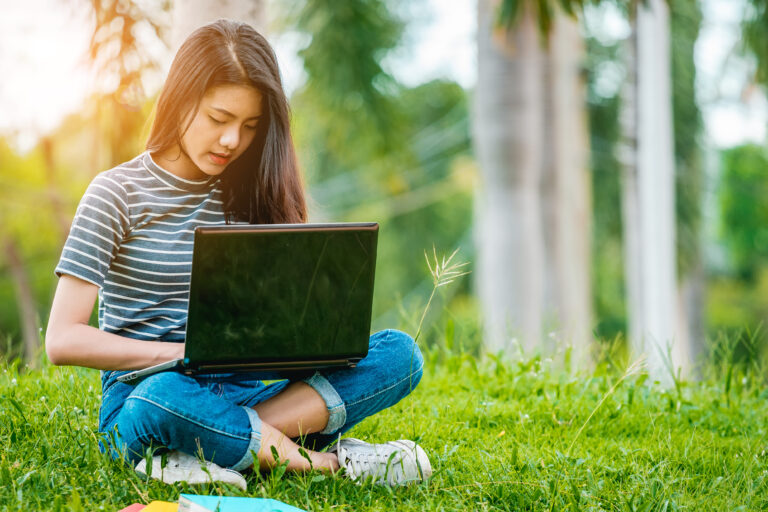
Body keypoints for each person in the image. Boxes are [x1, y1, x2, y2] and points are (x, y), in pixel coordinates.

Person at [45, 19, 430, 491]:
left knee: (400, 354)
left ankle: (214, 442)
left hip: (248, 389)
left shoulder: (256, 194)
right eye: (218, 119)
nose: (232, 141)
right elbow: (62, 340)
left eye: (250, 126)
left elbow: (278, 322)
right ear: (180, 101)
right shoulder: (116, 193)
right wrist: (183, 354)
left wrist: (305, 342)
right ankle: (323, 463)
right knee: (164, 398)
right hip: (148, 394)